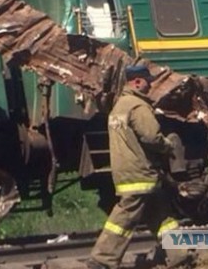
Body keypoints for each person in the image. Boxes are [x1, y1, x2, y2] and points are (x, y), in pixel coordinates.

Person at [87, 65, 184, 269]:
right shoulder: (137, 106)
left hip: (127, 170)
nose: (150, 86)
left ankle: (179, 254)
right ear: (138, 82)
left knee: (161, 214)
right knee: (124, 216)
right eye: (148, 81)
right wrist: (168, 146)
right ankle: (102, 260)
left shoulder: (120, 106)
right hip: (140, 172)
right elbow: (151, 137)